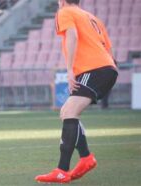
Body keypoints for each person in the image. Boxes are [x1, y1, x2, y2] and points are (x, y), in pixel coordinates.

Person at [35, 0, 118, 184]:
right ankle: (86, 158)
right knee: (67, 113)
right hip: (106, 67)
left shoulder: (65, 11)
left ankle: (62, 170)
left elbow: (72, 35)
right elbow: (108, 48)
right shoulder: (91, 17)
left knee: (70, 112)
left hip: (94, 69)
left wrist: (70, 69)